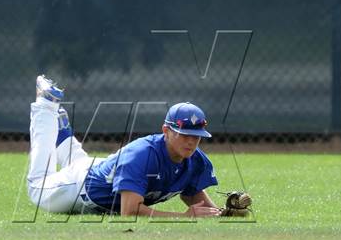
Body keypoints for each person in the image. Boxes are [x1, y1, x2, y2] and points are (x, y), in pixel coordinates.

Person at [27, 75, 221, 218]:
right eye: (184, 134)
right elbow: (130, 211)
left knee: (79, 161)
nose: (191, 141)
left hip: (97, 168)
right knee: (37, 185)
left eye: (196, 136)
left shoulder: (194, 159)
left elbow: (197, 200)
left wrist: (226, 212)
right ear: (166, 131)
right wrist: (184, 217)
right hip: (78, 188)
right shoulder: (143, 154)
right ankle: (46, 107)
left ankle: (62, 131)